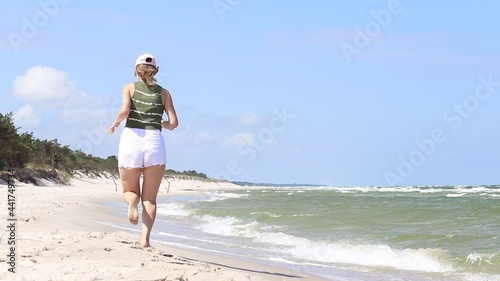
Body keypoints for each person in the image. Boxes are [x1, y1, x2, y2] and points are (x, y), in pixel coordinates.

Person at [107, 53, 178, 247]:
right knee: (150, 199)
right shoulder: (164, 93)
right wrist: (160, 121)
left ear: (135, 70)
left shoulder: (129, 87)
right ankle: (145, 240)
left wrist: (115, 123)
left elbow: (124, 111)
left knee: (129, 190)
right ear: (155, 71)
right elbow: (173, 123)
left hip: (132, 140)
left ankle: (132, 203)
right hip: (154, 142)